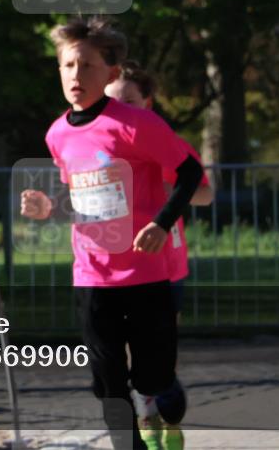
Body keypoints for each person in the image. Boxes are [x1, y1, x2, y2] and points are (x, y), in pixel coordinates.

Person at [20, 17, 203, 450]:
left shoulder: (136, 125)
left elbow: (191, 171)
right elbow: (78, 197)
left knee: (152, 378)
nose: (75, 76)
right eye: (67, 66)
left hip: (146, 276)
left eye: (86, 66)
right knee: (107, 382)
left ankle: (167, 397)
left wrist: (161, 222)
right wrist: (49, 208)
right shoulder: (57, 134)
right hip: (92, 274)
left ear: (112, 74)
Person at [106, 60, 214, 450]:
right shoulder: (100, 145)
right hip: (119, 265)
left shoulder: (169, 143)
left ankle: (164, 409)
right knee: (129, 344)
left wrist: (173, 190)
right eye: (113, 100)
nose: (121, 108)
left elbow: (205, 192)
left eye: (130, 101)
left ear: (147, 103)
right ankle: (147, 412)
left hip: (167, 266)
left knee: (160, 344)